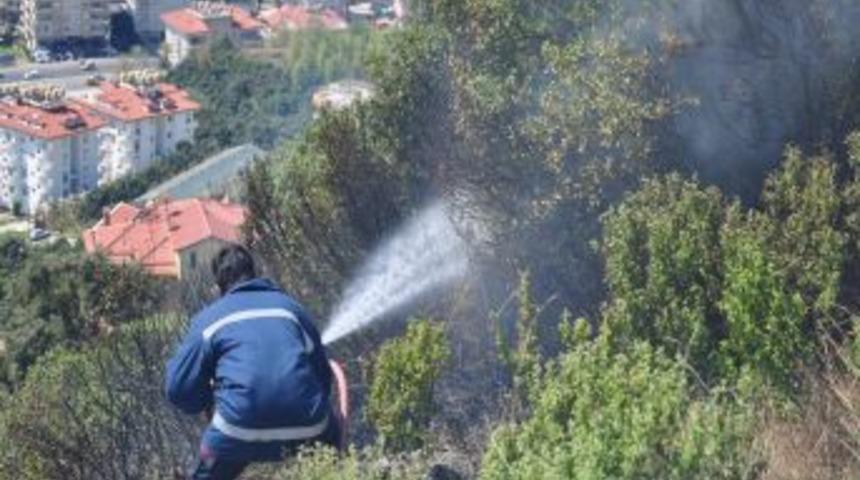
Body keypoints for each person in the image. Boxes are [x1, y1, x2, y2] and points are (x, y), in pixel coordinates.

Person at [165, 244, 338, 480]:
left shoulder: (208, 320)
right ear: (255, 274)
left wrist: (209, 400)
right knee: (334, 452)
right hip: (309, 425)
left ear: (218, 287)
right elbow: (323, 378)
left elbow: (178, 390)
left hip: (236, 429)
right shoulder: (292, 310)